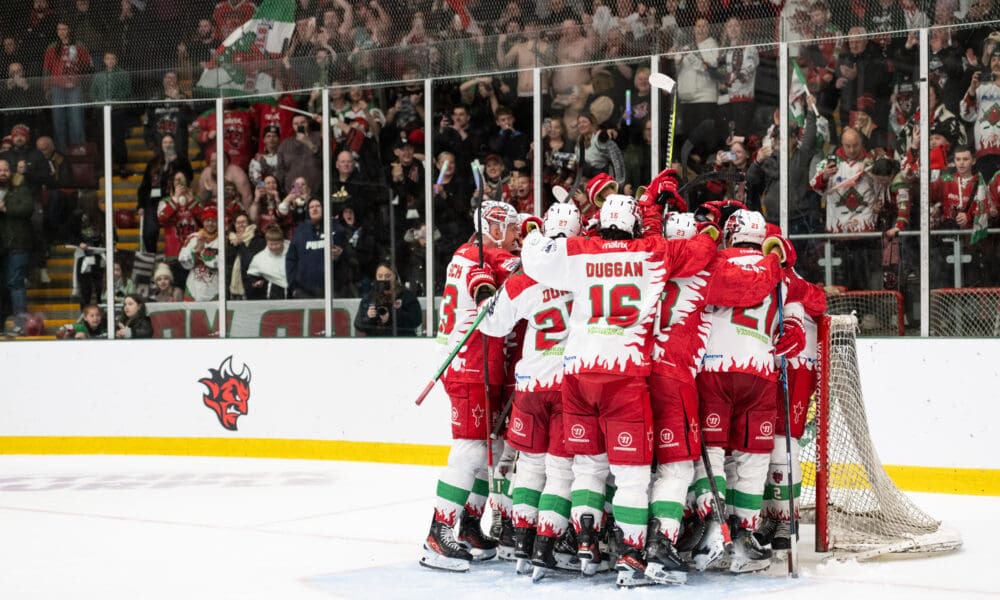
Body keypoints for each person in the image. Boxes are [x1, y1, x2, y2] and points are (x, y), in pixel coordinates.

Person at [518, 171, 719, 587]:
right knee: (631, 475)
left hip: (575, 374)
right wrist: (705, 225)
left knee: (587, 466)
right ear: (633, 225)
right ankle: (631, 556)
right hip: (623, 375)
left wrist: (543, 233)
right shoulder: (652, 251)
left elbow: (533, 257)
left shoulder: (579, 249)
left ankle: (586, 543)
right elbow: (699, 251)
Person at [645, 211, 783, 584]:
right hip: (740, 369)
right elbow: (788, 295)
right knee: (748, 461)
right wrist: (777, 259)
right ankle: (739, 535)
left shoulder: (647, 259)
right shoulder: (712, 266)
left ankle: (622, 537)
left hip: (643, 371)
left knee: (633, 465)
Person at [692, 209, 804, 574]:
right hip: (760, 370)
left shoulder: (712, 263)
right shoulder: (781, 277)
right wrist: (794, 326)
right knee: (752, 457)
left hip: (714, 367)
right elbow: (799, 312)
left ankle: (713, 525)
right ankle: (744, 534)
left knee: (710, 451)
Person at [475, 203, 581, 579]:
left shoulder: (527, 275)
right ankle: (545, 546)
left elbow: (492, 324)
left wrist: (486, 292)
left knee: (531, 466)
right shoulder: (586, 268)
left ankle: (520, 541)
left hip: (531, 385)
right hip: (570, 387)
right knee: (561, 469)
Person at [419, 200, 522, 573]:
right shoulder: (479, 256)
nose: (515, 237)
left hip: (482, 367)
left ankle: (468, 529)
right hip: (468, 368)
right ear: (493, 228)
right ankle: (438, 532)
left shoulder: (470, 253)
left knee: (488, 446)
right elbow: (516, 271)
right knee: (469, 451)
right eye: (511, 229)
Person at [810, 127, 879, 290]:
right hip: (839, 234)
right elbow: (814, 186)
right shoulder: (829, 162)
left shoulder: (871, 162)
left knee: (866, 280)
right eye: (847, 146)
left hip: (865, 232)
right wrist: (825, 176)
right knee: (841, 280)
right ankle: (844, 313)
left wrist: (874, 176)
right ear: (841, 143)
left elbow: (885, 184)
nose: (852, 150)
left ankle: (868, 314)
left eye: (855, 145)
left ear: (861, 142)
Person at [137, 134, 194, 254]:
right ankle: (151, 255)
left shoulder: (181, 160)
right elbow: (145, 185)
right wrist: (141, 205)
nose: (168, 145)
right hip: (153, 202)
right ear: (161, 145)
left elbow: (190, 177)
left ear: (174, 144)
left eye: (170, 142)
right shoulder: (153, 162)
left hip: (174, 200)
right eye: (165, 142)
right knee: (150, 231)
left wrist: (176, 162)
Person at [42, 22, 92, 153]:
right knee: (59, 119)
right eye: (59, 29)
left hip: (75, 86)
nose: (61, 32)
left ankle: (78, 149)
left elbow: (88, 65)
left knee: (76, 119)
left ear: (69, 30)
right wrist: (47, 88)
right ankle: (62, 152)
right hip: (57, 87)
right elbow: (47, 69)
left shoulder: (78, 45)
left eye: (64, 29)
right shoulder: (52, 47)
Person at [0, 158, 33, 335]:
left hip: (18, 244)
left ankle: (21, 324)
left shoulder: (20, 187)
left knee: (15, 282)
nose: (2, 173)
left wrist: (6, 208)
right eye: (0, 170)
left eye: (5, 169)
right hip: (2, 246)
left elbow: (28, 208)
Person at [353, 262, 423, 337]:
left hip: (401, 341)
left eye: (387, 276)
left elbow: (416, 320)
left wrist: (392, 315)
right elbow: (358, 325)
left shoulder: (406, 295)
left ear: (394, 276)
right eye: (380, 276)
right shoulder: (370, 297)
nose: (383, 279)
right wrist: (368, 317)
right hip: (376, 343)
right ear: (376, 277)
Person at [285, 198, 327, 299]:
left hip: (333, 290)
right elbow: (291, 260)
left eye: (317, 206)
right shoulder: (300, 231)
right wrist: (294, 288)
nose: (314, 209)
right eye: (311, 207)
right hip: (304, 292)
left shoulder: (335, 228)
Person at [178, 207, 220, 301]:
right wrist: (196, 252)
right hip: (193, 287)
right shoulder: (192, 237)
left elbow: (220, 262)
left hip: (215, 288)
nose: (210, 223)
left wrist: (201, 252)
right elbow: (182, 259)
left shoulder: (223, 239)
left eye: (214, 220)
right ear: (203, 221)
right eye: (207, 220)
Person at [276, 114, 323, 196]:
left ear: (308, 123)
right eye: (296, 124)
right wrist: (281, 190)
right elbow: (280, 169)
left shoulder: (318, 137)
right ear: (292, 125)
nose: (299, 125)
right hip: (293, 191)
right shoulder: (285, 144)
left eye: (302, 122)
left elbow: (326, 158)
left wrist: (308, 142)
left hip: (316, 190)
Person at [226, 211, 265, 300]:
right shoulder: (231, 240)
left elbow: (251, 259)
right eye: (238, 223)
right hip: (232, 288)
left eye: (244, 222)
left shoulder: (258, 239)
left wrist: (242, 243)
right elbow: (227, 261)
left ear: (249, 223)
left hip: (251, 286)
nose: (241, 225)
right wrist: (235, 244)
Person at [245, 225, 290, 300]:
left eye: (277, 244)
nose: (274, 247)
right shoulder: (259, 258)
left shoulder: (292, 251)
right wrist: (256, 282)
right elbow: (251, 275)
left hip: (292, 291)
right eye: (271, 244)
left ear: (282, 241)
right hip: (273, 294)